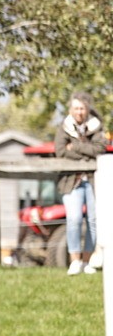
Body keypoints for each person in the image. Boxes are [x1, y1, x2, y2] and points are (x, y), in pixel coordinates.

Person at [54, 90, 103, 275]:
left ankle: (87, 261)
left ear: (87, 109)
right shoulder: (64, 127)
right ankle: (74, 261)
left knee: (93, 219)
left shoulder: (96, 126)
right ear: (71, 109)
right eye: (76, 108)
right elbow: (60, 151)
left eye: (82, 108)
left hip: (92, 180)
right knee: (74, 218)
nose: (79, 112)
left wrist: (75, 146)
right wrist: (86, 154)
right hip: (71, 181)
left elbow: (99, 148)